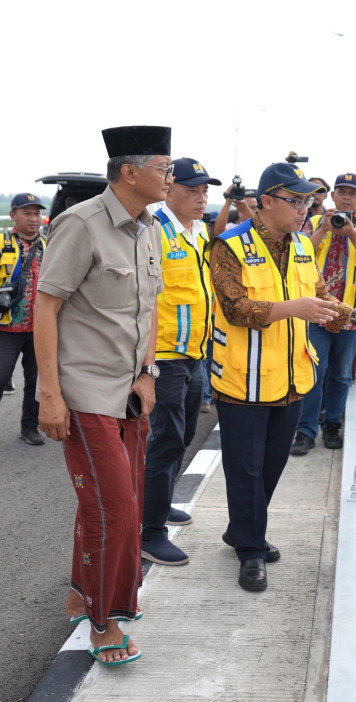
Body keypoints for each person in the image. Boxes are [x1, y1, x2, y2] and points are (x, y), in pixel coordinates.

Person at [210, 162, 356, 592]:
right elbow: (236, 308)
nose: (304, 209)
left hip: (291, 379)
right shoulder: (228, 246)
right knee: (246, 470)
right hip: (244, 381)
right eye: (294, 201)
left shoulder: (303, 246)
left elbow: (322, 294)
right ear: (265, 202)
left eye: (308, 201)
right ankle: (251, 549)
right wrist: (294, 309)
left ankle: (242, 530)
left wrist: (355, 315)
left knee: (271, 467)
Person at [36, 125, 172, 666]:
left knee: (120, 506)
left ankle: (79, 590)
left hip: (130, 390)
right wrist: (50, 394)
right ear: (129, 171)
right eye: (163, 168)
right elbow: (45, 308)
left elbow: (150, 307)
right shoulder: (82, 223)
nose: (170, 176)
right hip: (86, 391)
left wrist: (149, 372)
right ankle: (104, 620)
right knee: (113, 511)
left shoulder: (149, 229)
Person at [141, 157, 221, 566]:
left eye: (204, 191)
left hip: (194, 354)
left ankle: (160, 502)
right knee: (165, 440)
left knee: (184, 433)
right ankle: (149, 531)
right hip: (167, 355)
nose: (200, 198)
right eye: (191, 190)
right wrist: (147, 365)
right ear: (169, 190)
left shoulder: (198, 231)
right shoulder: (154, 229)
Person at [290, 173, 356, 456]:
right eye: (341, 191)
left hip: (350, 315)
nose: (346, 197)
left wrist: (351, 233)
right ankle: (306, 430)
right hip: (317, 312)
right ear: (333, 196)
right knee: (314, 372)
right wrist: (324, 229)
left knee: (342, 376)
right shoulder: (313, 222)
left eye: (352, 193)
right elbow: (299, 254)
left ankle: (332, 425)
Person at [0, 193, 48, 445]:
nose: (34, 218)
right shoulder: (2, 243)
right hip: (6, 326)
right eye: (27, 213)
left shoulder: (48, 245)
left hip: (40, 327)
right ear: (13, 215)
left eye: (37, 213)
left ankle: (29, 426)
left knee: (35, 381)